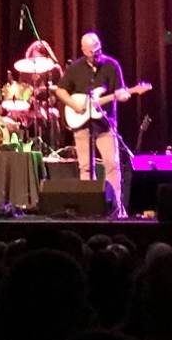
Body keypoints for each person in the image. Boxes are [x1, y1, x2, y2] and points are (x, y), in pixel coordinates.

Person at [53, 32, 129, 216]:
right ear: (84, 51)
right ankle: (89, 208)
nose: (97, 54)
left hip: (105, 123)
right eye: (92, 52)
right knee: (85, 167)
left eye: (98, 50)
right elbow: (60, 90)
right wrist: (74, 105)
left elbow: (120, 91)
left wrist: (124, 95)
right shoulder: (76, 68)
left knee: (111, 164)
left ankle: (115, 207)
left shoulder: (111, 66)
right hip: (81, 124)